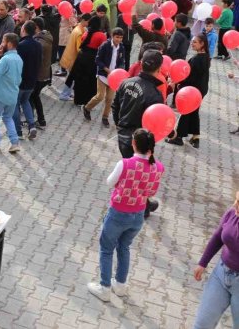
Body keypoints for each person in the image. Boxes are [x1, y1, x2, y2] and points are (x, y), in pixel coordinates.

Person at [87, 128, 164, 302]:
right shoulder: (158, 167)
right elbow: (152, 190)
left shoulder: (125, 163)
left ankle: (104, 287)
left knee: (106, 249)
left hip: (118, 213)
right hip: (137, 215)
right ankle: (120, 285)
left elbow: (109, 182)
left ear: (133, 143)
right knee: (124, 247)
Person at [192, 190, 239, 328]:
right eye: (236, 199)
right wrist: (202, 262)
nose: (234, 204)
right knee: (201, 325)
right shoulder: (232, 213)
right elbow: (218, 236)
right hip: (221, 274)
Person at [167, 34, 210, 148]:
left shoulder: (197, 59)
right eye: (192, 41)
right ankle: (195, 138)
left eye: (195, 42)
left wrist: (179, 83)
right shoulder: (205, 57)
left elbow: (190, 77)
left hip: (192, 90)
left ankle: (179, 137)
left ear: (202, 44)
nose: (192, 43)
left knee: (185, 112)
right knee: (194, 112)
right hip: (200, 90)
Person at [83, 28, 125, 127]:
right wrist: (106, 69)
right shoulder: (105, 45)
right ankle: (87, 108)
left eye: (121, 38)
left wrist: (119, 71)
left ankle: (105, 117)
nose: (119, 39)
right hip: (103, 75)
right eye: (117, 37)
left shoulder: (121, 48)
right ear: (112, 36)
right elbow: (97, 60)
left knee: (110, 99)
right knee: (100, 96)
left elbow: (122, 61)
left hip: (114, 77)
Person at [0, 33, 23, 154]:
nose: (1, 45)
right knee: (8, 118)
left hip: (0, 95)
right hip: (13, 95)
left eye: (3, 42)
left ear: (9, 44)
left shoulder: (5, 59)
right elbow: (19, 79)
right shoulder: (19, 59)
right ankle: (14, 143)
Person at [14, 21, 42, 140]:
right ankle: (31, 126)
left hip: (20, 80)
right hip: (32, 80)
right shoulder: (38, 45)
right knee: (25, 102)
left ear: (24, 30)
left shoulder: (21, 45)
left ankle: (18, 131)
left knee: (15, 104)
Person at [72, 21, 107, 106]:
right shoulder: (101, 35)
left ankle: (78, 100)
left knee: (80, 79)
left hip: (81, 57)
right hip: (92, 59)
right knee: (90, 80)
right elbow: (104, 48)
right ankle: (88, 101)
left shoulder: (86, 33)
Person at [30, 17, 53, 128]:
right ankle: (38, 119)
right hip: (44, 74)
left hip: (40, 75)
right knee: (34, 96)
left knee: (33, 96)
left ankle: (37, 120)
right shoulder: (45, 37)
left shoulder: (39, 42)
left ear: (36, 27)